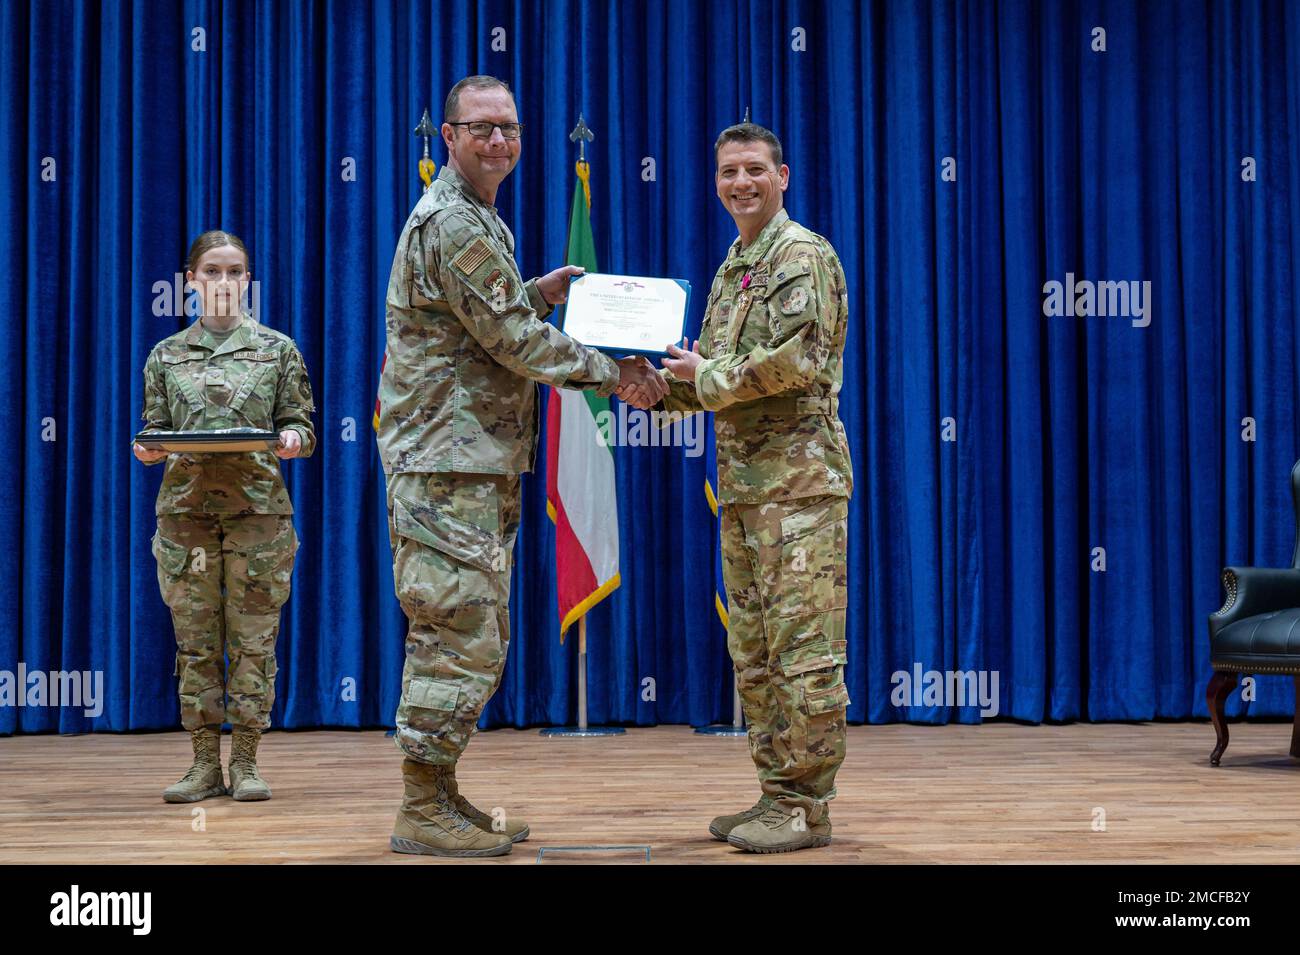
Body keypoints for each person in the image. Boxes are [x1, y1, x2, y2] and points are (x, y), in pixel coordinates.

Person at [376, 74, 668, 858]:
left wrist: (536, 291)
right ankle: (418, 804)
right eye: (480, 128)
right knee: (456, 632)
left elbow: (488, 322)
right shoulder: (457, 222)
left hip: (467, 460)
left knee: (468, 628)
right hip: (448, 464)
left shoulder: (477, 219)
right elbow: (515, 344)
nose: (497, 140)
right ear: (448, 137)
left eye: (507, 127)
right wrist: (618, 374)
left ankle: (436, 791)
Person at [655, 122, 853, 852]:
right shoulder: (735, 266)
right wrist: (653, 387)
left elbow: (793, 363)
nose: (741, 183)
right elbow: (720, 379)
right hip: (744, 488)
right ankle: (776, 792)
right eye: (729, 172)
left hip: (798, 487)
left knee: (805, 652)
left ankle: (807, 802)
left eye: (754, 170)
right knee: (759, 653)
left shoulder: (799, 255)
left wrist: (698, 377)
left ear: (783, 176)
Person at [134, 230, 316, 804]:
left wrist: (292, 437)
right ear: (191, 281)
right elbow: (153, 427)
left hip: (258, 515)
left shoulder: (278, 349)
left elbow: (304, 426)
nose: (223, 282)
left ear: (247, 280)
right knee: (195, 643)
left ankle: (247, 762)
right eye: (211, 271)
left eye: (235, 271)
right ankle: (203, 764)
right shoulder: (165, 355)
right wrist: (147, 448)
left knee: (255, 640)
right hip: (186, 514)